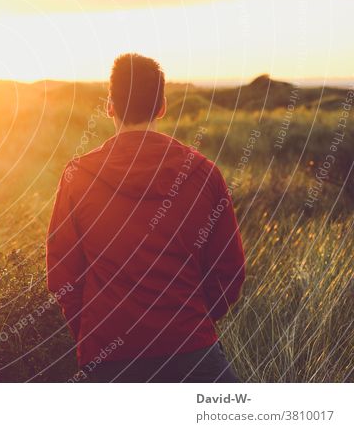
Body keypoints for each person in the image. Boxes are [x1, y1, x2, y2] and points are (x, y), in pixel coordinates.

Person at [46, 53, 245, 382]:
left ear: (110, 105)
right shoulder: (204, 173)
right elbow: (229, 270)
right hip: (191, 349)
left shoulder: (77, 177)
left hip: (108, 353)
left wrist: (94, 329)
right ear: (162, 106)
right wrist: (192, 320)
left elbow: (63, 273)